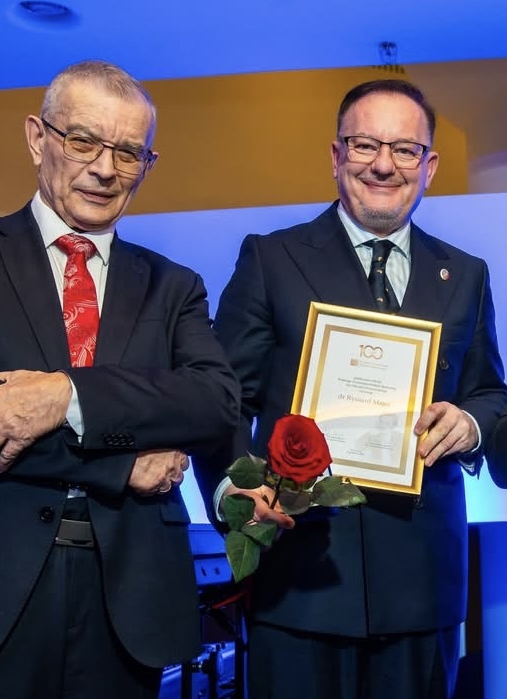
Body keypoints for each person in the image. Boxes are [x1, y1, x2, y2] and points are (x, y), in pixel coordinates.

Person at [0, 60, 239, 699]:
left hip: (129, 603)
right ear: (38, 138)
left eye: (128, 152)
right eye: (83, 141)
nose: (105, 168)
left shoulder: (175, 287)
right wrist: (117, 463)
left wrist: (67, 396)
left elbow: (214, 402)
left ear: (147, 164)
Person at [206, 79, 507, 699]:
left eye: (404, 149)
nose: (383, 165)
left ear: (429, 166)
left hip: (424, 583)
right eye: (365, 144)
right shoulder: (271, 259)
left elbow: (489, 393)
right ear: (337, 155)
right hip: (301, 580)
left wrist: (472, 424)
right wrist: (232, 488)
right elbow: (223, 396)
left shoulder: (466, 274)